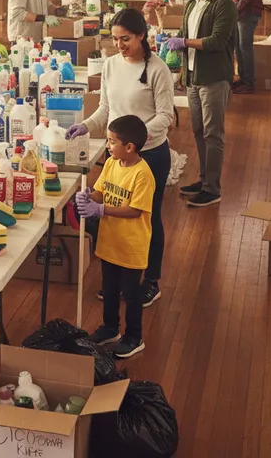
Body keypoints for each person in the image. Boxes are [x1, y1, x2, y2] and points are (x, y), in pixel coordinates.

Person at [66, 8, 173, 307]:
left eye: (125, 39)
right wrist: (85, 125)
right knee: (115, 212)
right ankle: (118, 281)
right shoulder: (111, 65)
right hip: (118, 154)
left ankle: (150, 280)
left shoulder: (156, 69)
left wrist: (134, 139)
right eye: (114, 39)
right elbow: (105, 109)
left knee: (147, 217)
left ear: (141, 35)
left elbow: (166, 115)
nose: (119, 45)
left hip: (149, 154)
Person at [74, 115, 155, 359]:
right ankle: (110, 328)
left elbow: (135, 210)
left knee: (131, 295)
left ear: (129, 147)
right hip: (109, 242)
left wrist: (101, 210)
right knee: (109, 290)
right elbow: (102, 191)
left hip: (130, 247)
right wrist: (90, 196)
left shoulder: (143, 175)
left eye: (111, 142)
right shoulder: (111, 163)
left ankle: (134, 336)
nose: (108, 147)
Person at [166, 0, 237, 208]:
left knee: (213, 133)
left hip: (214, 77)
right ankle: (204, 180)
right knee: (198, 131)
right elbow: (186, 32)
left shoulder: (224, 5)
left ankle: (213, 189)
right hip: (194, 76)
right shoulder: (193, 2)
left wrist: (184, 43)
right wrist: (173, 39)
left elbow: (217, 41)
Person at [221, 0, 263, 95]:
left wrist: (235, 10)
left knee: (245, 47)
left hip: (248, 14)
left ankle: (249, 82)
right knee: (238, 47)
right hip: (239, 15)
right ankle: (243, 78)